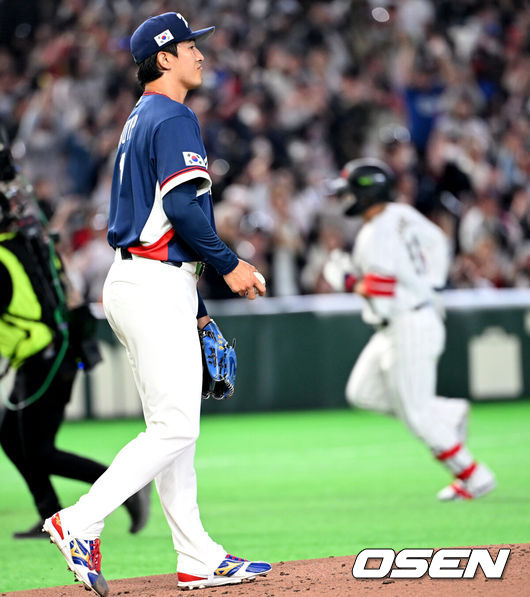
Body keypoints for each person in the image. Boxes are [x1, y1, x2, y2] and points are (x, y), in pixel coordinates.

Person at [43, 12, 270, 596]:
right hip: (152, 282)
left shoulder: (141, 117)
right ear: (165, 57)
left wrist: (196, 306)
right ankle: (79, 521)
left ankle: (197, 557)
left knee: (173, 430)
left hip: (146, 280)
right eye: (191, 46)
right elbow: (184, 210)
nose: (200, 54)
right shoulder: (172, 115)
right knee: (174, 427)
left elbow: (163, 221)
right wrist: (231, 265)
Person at [323, 158, 496, 501]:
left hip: (408, 323)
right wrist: (430, 282)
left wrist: (344, 279)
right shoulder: (402, 214)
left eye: (349, 192)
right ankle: (447, 412)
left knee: (418, 415)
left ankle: (473, 476)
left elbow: (381, 289)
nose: (344, 198)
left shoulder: (378, 231)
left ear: (368, 193)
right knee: (362, 391)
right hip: (405, 320)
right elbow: (439, 244)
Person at [0, 152, 150, 540]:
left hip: (43, 358)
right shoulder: (27, 245)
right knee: (13, 437)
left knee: (38, 450)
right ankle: (50, 515)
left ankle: (124, 486)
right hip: (53, 353)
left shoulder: (6, 255)